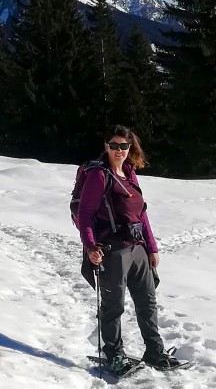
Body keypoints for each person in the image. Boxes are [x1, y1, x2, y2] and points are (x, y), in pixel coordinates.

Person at [77, 124, 180, 376]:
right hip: (112, 251)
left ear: (130, 147)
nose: (119, 150)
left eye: (124, 146)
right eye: (114, 145)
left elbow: (142, 216)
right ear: (106, 147)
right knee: (113, 306)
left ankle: (154, 351)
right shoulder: (99, 176)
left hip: (138, 249)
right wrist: (90, 246)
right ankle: (114, 355)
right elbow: (85, 214)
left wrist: (152, 248)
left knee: (147, 302)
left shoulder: (130, 173)